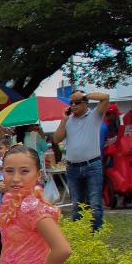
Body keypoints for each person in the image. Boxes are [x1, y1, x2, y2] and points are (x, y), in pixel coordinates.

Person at [52, 90, 111, 229]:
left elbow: (105, 97)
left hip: (92, 165)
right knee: (77, 207)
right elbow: (57, 138)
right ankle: (81, 235)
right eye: (71, 102)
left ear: (85, 103)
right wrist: (63, 120)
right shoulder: (69, 120)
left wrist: (84, 94)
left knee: (95, 205)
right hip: (73, 168)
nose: (74, 105)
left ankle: (95, 235)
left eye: (77, 102)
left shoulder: (94, 115)